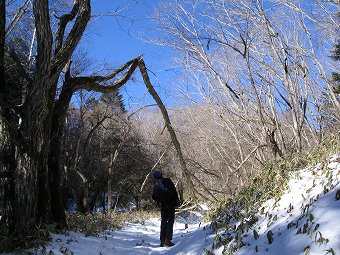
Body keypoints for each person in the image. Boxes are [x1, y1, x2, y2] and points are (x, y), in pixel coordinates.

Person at [152, 170, 180, 247]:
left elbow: (153, 197)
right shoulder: (167, 181)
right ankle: (167, 241)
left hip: (163, 205)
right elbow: (174, 191)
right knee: (170, 221)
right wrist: (176, 201)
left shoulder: (156, 184)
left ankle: (162, 241)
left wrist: (160, 200)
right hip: (170, 204)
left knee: (163, 221)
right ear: (161, 175)